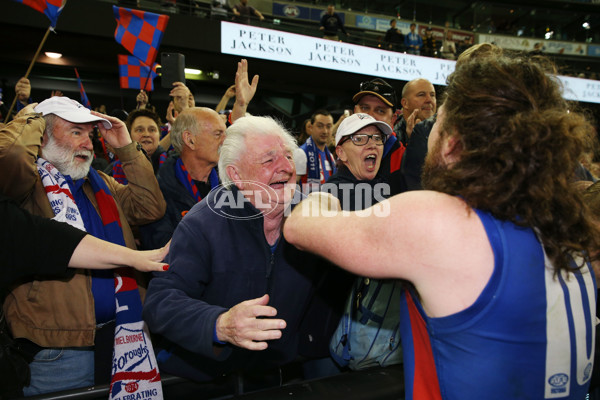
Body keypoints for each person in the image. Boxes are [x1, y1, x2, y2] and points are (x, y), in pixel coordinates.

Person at [284, 52, 600, 399]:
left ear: (453, 144)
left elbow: (300, 227)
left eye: (435, 124)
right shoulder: (572, 227)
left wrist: (325, 195)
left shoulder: (442, 221)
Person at [0, 96, 166, 395]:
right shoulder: (24, 185)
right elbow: (8, 159)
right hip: (58, 348)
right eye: (76, 132)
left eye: (90, 135)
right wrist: (32, 118)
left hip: (124, 334)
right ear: (43, 137)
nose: (88, 144)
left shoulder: (99, 182)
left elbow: (150, 207)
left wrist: (126, 148)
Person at [142, 115, 322, 385]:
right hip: (210, 382)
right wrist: (220, 324)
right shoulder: (202, 223)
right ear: (236, 174)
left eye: (288, 156)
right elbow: (161, 302)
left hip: (285, 375)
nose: (286, 167)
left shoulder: (313, 217)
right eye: (269, 160)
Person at [139, 107, 225, 250]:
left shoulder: (232, 186)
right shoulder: (157, 193)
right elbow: (163, 252)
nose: (225, 141)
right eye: (218, 134)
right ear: (190, 140)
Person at [352, 78, 406, 194]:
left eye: (380, 111)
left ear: (393, 119)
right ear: (354, 112)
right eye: (365, 108)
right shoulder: (342, 152)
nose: (370, 116)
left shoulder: (406, 161)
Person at [108, 108, 167, 184]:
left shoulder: (173, 165)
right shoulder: (115, 169)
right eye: (139, 130)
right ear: (129, 136)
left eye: (152, 130)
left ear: (159, 136)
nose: (146, 134)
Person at [294, 109, 336, 190]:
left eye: (328, 126)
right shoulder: (301, 153)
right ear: (311, 127)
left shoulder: (330, 156)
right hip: (307, 201)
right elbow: (292, 187)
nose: (325, 131)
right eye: (320, 126)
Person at [395, 78, 437, 146]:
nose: (429, 100)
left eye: (432, 95)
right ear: (405, 103)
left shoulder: (445, 134)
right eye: (421, 95)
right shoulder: (393, 140)